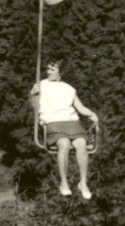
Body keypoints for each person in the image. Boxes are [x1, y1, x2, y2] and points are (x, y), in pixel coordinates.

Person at [30, 59, 99, 199]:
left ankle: (83, 183)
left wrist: (92, 114)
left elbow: (80, 108)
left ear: (60, 73)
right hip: (53, 122)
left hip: (71, 122)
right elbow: (34, 107)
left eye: (52, 69)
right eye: (48, 69)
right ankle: (64, 182)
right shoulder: (41, 85)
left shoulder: (68, 88)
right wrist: (33, 93)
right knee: (64, 143)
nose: (48, 72)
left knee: (81, 143)